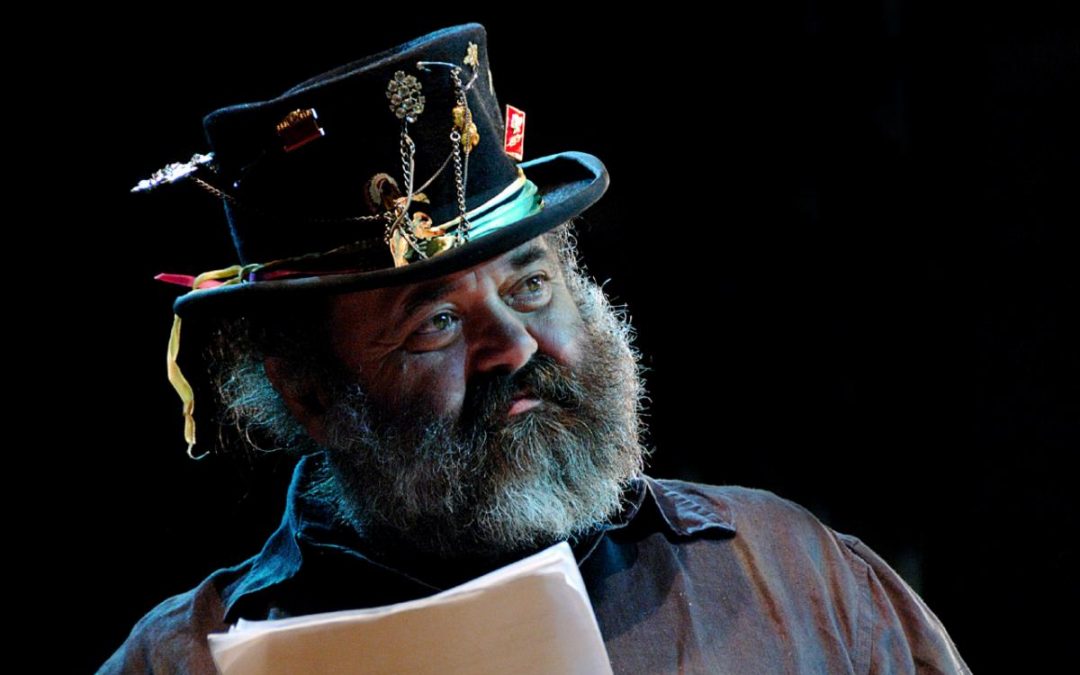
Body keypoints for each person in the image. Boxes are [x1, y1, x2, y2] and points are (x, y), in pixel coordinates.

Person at [101, 23, 969, 674]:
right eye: (435, 322)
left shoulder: (793, 577)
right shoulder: (185, 661)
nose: (513, 346)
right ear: (310, 393)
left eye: (530, 286)